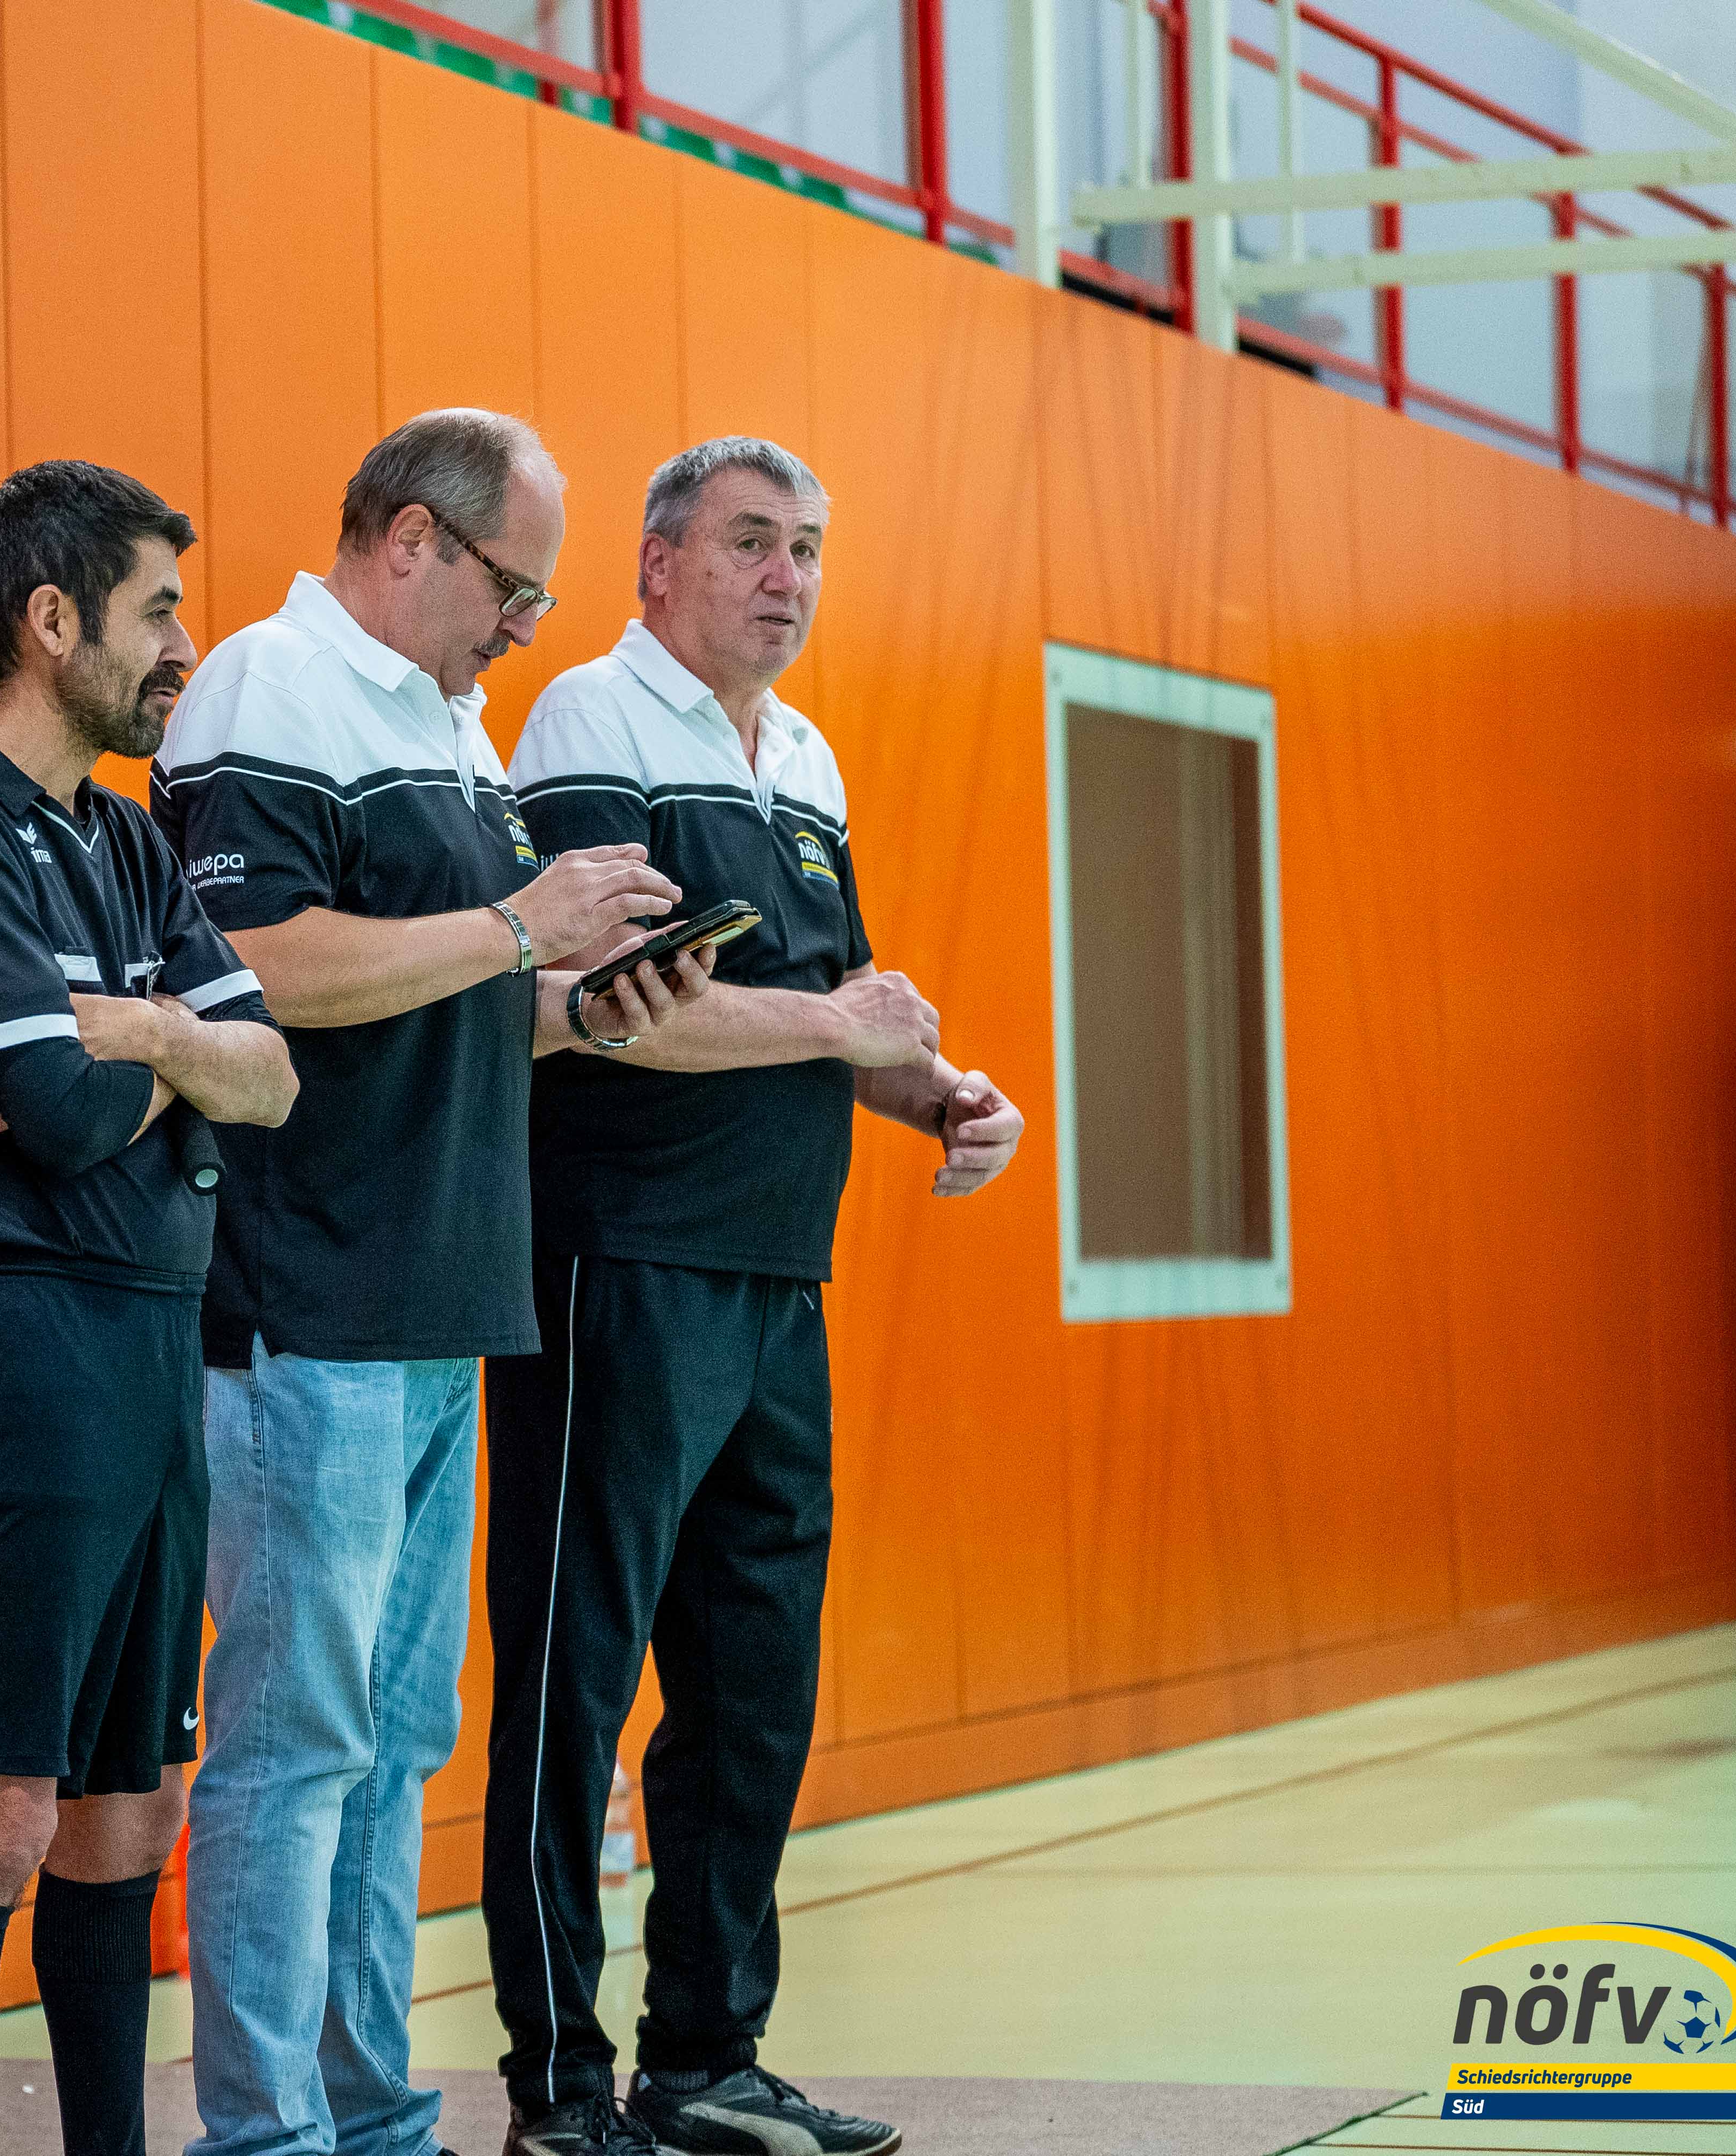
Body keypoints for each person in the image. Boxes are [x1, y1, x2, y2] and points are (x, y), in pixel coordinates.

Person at [149, 409, 714, 2156]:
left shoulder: (450, 726)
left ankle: (369, 2112)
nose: (525, 629)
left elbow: (443, 990)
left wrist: (576, 1004)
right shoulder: (268, 692)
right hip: (308, 1298)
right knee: (298, 1741)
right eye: (513, 590)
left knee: (393, 1746)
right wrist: (519, 929)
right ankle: (268, 2133)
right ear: (410, 539)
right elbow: (250, 967)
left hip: (440, 1300)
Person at [483, 437, 1024, 2156]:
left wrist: (940, 1093)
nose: (787, 579)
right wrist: (843, 1028)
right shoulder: (593, 718)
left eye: (807, 549)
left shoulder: (806, 758)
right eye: (750, 544)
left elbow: (828, 1008)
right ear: (658, 563)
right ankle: (560, 2087)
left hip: (781, 1281)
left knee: (749, 1692)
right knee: (574, 1682)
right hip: (621, 1264)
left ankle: (707, 2059)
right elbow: (610, 1003)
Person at [0, 462, 299, 2156]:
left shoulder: (126, 838)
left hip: (154, 1334)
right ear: (52, 620)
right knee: (6, 1805)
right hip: (24, 1336)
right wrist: (162, 1061)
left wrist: (146, 1034)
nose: (185, 644)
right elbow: (55, 1112)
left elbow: (272, 1076)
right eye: (158, 609)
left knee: (131, 1807)